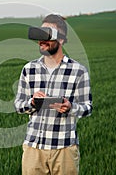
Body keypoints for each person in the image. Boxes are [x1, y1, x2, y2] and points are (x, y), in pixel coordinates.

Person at [14, 14, 93, 175]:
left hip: (64, 149)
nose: (41, 40)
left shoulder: (78, 71)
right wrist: (32, 103)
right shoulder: (29, 69)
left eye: (47, 34)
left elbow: (87, 108)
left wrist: (71, 107)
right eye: (40, 33)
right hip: (33, 148)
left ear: (61, 40)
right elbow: (18, 105)